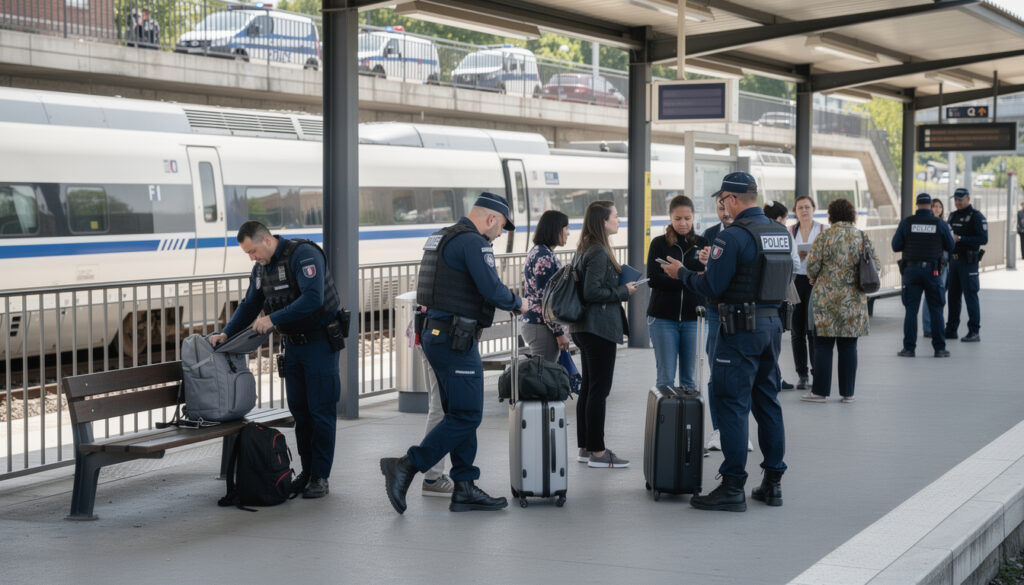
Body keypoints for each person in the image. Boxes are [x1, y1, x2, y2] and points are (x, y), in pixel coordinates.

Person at [380, 192, 523, 514]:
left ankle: (465, 487)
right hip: (454, 340)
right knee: (468, 414)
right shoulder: (473, 242)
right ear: (491, 219)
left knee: (459, 412)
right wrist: (520, 303)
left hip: (436, 335)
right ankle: (406, 465)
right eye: (501, 227)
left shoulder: (440, 237)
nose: (500, 234)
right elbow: (492, 288)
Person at [662, 172, 790, 512]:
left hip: (738, 331)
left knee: (731, 403)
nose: (723, 205)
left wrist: (683, 274)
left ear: (732, 199)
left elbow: (712, 288)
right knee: (768, 402)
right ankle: (773, 483)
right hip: (772, 326)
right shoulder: (779, 233)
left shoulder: (731, 237)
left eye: (723, 200)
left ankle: (733, 486)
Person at [210, 221, 346, 499]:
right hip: (294, 347)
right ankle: (307, 473)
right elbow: (250, 304)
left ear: (267, 240)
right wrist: (226, 333)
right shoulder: (262, 268)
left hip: (320, 343)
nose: (252, 258)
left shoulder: (303, 255)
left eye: (253, 251)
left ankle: (320, 476)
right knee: (301, 412)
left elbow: (312, 298)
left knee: (320, 412)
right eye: (247, 254)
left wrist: (272, 319)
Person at [570, 200, 640, 468]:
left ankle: (586, 447)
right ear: (603, 221)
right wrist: (624, 291)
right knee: (599, 390)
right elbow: (592, 292)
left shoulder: (584, 248)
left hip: (584, 327)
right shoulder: (598, 251)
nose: (619, 219)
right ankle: (598, 452)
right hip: (598, 328)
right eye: (615, 216)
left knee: (589, 388)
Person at [799, 199, 880, 403]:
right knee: (849, 347)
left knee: (823, 346)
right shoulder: (861, 236)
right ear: (852, 214)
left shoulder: (824, 236)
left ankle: (819, 393)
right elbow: (875, 264)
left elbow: (812, 266)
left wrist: (814, 277)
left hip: (826, 301)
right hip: (852, 302)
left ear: (831, 216)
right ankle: (847, 393)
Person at [646, 195, 707, 389]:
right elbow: (654, 279)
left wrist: (677, 275)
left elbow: (706, 280)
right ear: (670, 218)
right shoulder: (658, 243)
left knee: (690, 380)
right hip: (663, 319)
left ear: (693, 217)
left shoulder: (703, 243)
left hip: (693, 320)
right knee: (665, 380)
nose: (683, 223)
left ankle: (688, 420)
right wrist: (689, 277)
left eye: (687, 218)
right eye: (678, 218)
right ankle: (665, 419)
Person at [892, 193, 955, 358]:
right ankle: (940, 349)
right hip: (933, 271)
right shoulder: (939, 223)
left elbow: (895, 245)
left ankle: (909, 348)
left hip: (911, 272)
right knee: (936, 310)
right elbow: (950, 245)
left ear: (917, 205)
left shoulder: (907, 223)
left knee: (911, 311)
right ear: (929, 205)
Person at [700, 198, 733, 452]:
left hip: (740, 310)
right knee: (715, 370)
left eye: (727, 207)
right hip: (714, 310)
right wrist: (705, 262)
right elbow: (706, 277)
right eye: (720, 208)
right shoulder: (709, 235)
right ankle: (719, 430)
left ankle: (738, 431)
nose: (724, 213)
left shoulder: (746, 233)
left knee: (740, 373)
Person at [521, 210, 571, 362]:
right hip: (542, 327)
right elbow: (547, 299)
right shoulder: (544, 256)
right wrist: (559, 333)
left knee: (543, 375)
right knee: (543, 377)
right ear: (555, 229)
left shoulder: (540, 251)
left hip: (538, 324)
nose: (568, 233)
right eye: (566, 228)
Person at [763, 201, 802, 391]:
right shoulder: (784, 234)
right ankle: (774, 378)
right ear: (779, 218)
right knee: (775, 336)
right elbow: (795, 263)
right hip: (780, 292)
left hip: (758, 293)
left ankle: (770, 376)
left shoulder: (756, 232)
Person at [789, 196, 826, 389]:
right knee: (797, 330)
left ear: (814, 209)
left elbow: (828, 255)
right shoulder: (791, 231)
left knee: (813, 329)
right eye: (800, 208)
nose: (804, 211)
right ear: (795, 211)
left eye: (807, 207)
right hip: (797, 281)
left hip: (815, 281)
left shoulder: (822, 230)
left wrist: (812, 256)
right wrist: (797, 255)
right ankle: (801, 374)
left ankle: (816, 371)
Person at [944, 188, 987, 343]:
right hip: (954, 262)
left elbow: (983, 239)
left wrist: (961, 238)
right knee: (953, 297)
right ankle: (951, 330)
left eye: (960, 199)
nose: (957, 202)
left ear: (968, 198)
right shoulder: (953, 215)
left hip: (968, 263)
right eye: (955, 199)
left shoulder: (976, 217)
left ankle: (974, 331)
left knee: (970, 296)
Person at [922, 198, 949, 338]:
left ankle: (936, 326)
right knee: (930, 296)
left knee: (939, 296)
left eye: (939, 206)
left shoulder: (945, 224)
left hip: (944, 265)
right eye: (934, 206)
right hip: (933, 265)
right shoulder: (929, 224)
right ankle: (928, 327)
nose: (937, 209)